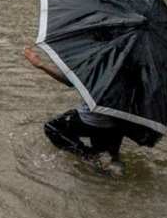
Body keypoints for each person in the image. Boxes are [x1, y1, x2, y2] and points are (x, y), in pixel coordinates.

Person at [24, 46, 126, 175]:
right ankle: (113, 166)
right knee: (109, 158)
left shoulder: (104, 62)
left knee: (51, 127)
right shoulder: (140, 70)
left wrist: (41, 65)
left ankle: (86, 155)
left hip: (91, 120)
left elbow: (71, 81)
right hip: (118, 125)